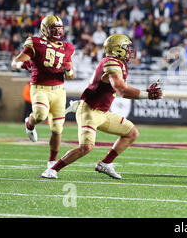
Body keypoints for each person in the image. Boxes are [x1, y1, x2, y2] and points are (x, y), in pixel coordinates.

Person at [41, 34, 163, 179]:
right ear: (117, 49)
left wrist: (145, 92)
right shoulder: (111, 63)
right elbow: (121, 90)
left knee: (131, 133)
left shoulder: (118, 63)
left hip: (103, 113)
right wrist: (146, 95)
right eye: (126, 47)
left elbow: (122, 87)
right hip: (89, 111)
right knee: (86, 147)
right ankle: (53, 170)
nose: (129, 51)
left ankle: (105, 163)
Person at [11, 15, 75, 168]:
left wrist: (68, 71)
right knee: (40, 114)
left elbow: (72, 75)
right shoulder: (36, 43)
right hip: (40, 87)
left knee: (57, 128)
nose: (58, 32)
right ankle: (30, 123)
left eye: (60, 29)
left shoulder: (66, 47)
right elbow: (15, 62)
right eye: (54, 28)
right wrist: (26, 65)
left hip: (59, 90)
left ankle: (52, 161)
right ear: (45, 29)